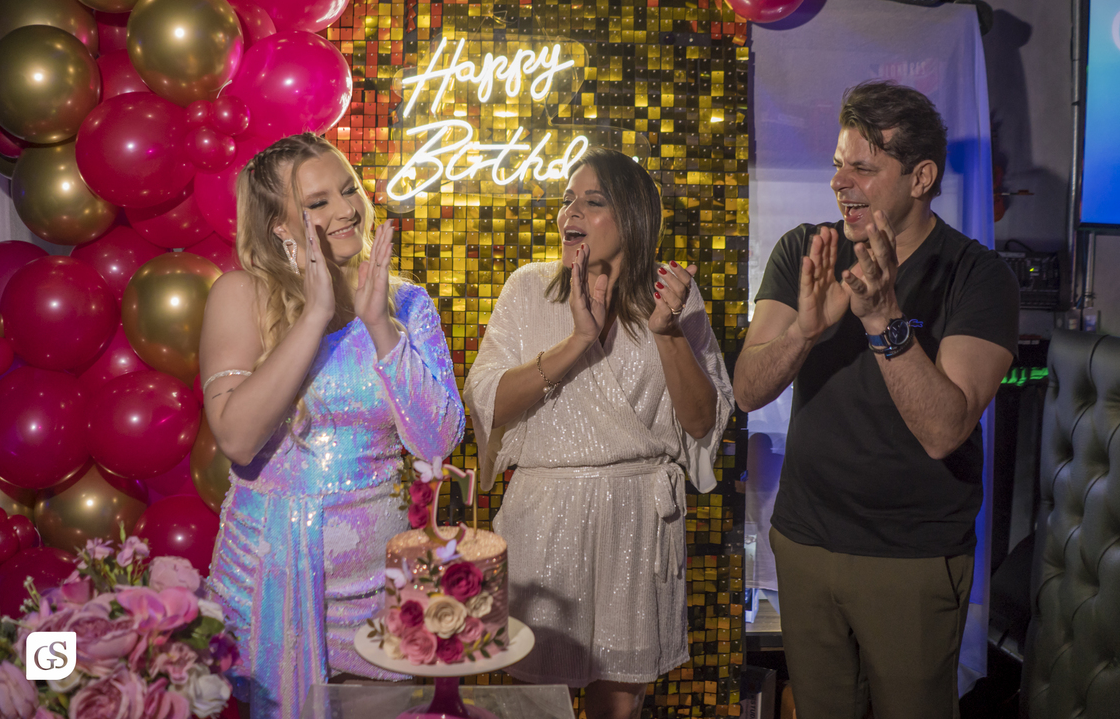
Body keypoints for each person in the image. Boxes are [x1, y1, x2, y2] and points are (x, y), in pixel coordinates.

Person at [732, 82, 1019, 719]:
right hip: (806, 547)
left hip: (912, 560)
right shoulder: (807, 250)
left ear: (921, 177)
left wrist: (884, 318)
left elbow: (945, 431)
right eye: (838, 163)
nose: (841, 181)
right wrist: (806, 331)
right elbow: (746, 390)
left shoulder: (978, 275)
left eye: (863, 166)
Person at [199, 133, 465, 719]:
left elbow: (439, 440)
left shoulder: (407, 303)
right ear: (279, 225)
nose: (347, 209)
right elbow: (238, 439)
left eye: (348, 190)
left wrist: (378, 325)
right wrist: (317, 313)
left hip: (378, 584)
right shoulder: (242, 296)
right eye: (318, 203)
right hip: (267, 570)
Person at [464, 148, 734, 719]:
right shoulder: (530, 288)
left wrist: (667, 332)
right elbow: (489, 402)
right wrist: (577, 342)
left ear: (633, 217)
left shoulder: (674, 297)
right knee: (531, 705)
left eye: (591, 201)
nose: (569, 215)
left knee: (619, 707)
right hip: (545, 520)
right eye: (567, 202)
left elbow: (702, 422)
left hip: (636, 521)